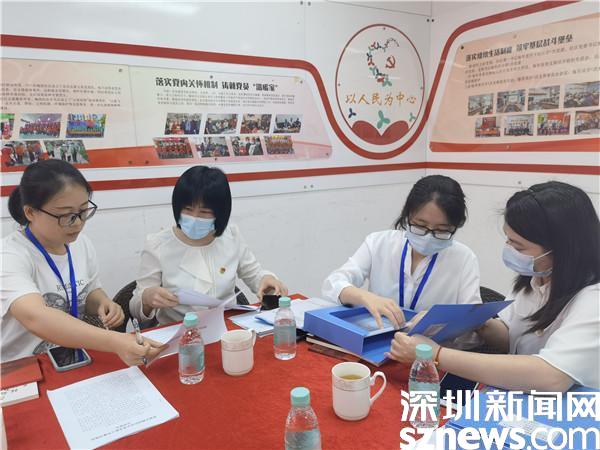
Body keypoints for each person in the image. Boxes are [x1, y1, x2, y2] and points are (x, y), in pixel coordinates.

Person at [388, 181, 600, 391]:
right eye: (508, 240)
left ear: (563, 250)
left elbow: (552, 376)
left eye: (518, 246)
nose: (509, 250)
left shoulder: (593, 299)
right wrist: (470, 321)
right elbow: (512, 338)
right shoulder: (535, 279)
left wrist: (435, 355)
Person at [1, 159, 164, 364]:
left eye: (83, 211)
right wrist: (115, 341)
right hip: (23, 367)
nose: (78, 223)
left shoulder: (79, 243)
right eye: (66, 215)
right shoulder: (9, 255)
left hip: (74, 361)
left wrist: (103, 303)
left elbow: (90, 290)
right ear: (31, 212)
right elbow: (36, 317)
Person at [130, 165, 288, 325]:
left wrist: (267, 280)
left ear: (220, 213)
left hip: (227, 328)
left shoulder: (231, 237)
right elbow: (135, 309)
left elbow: (254, 275)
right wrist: (147, 299)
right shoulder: (157, 245)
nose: (194, 218)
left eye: (204, 212)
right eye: (188, 209)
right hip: (180, 331)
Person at [322, 175, 481, 329]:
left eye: (442, 230)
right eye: (420, 226)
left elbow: (474, 318)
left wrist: (441, 319)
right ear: (407, 215)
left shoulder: (464, 258)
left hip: (428, 344)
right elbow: (333, 283)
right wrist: (366, 297)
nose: (428, 236)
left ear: (456, 226)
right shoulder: (379, 243)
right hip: (378, 338)